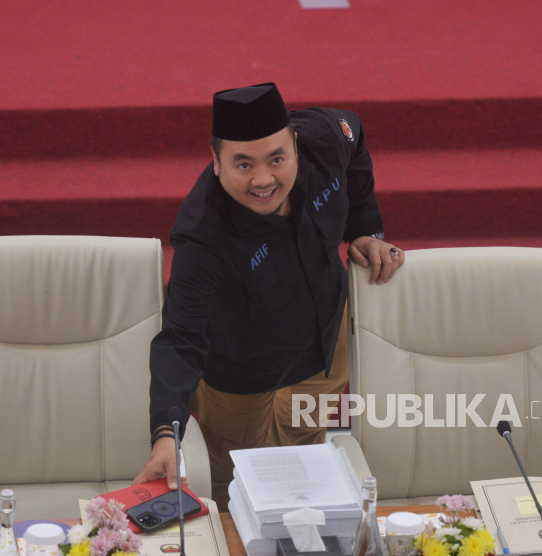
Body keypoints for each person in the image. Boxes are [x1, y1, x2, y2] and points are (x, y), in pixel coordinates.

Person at [133, 83, 404, 507]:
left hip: (323, 354)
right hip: (243, 379)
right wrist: (167, 433)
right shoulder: (204, 235)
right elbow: (180, 337)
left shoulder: (326, 139)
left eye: (277, 159)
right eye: (243, 164)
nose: (264, 180)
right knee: (235, 483)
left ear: (295, 144)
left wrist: (364, 228)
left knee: (305, 467)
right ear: (216, 162)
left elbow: (356, 132)